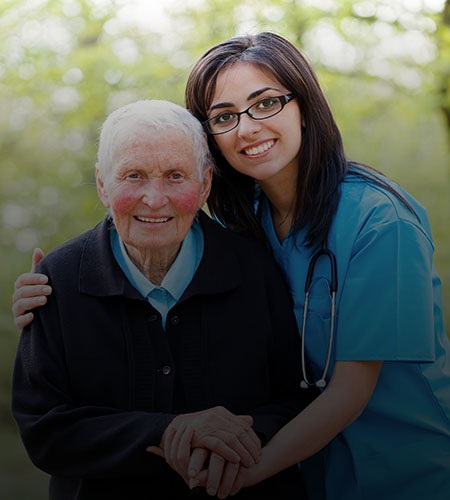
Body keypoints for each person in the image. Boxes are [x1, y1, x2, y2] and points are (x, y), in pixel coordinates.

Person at [13, 32, 450, 499]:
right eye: (224, 116)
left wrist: (239, 473)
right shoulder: (246, 224)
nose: (247, 128)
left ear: (305, 104)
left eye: (266, 104)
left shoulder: (381, 222)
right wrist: (51, 295)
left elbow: (348, 391)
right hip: (312, 471)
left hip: (399, 471)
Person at [11, 99, 314, 500]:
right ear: (103, 183)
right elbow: (44, 428)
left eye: (175, 176)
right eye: (133, 175)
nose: (154, 199)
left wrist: (238, 438)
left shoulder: (254, 269)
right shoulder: (58, 280)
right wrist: (169, 431)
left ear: (205, 184)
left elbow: (298, 400)